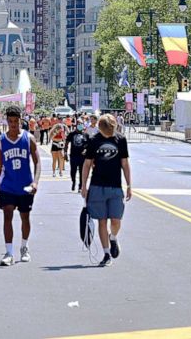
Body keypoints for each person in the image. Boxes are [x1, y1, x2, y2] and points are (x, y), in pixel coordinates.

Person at [81, 114, 132, 267]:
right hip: (97, 185)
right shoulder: (94, 140)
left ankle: (113, 237)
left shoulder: (120, 139)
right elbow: (87, 164)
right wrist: (83, 185)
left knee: (116, 220)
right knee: (102, 220)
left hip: (115, 186)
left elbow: (125, 163)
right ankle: (106, 253)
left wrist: (129, 185)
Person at [0, 105, 40, 266]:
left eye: (16, 121)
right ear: (7, 121)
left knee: (25, 217)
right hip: (7, 186)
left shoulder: (29, 139)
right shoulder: (1, 141)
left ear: (21, 121)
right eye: (10, 121)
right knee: (7, 215)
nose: (13, 124)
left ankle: (24, 247)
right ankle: (8, 252)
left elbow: (37, 162)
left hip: (25, 186)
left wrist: (35, 181)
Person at [67, 119, 89, 192]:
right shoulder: (71, 134)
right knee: (73, 171)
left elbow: (88, 145)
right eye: (78, 124)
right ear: (76, 125)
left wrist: (85, 150)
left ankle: (80, 186)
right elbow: (66, 143)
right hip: (73, 155)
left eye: (81, 124)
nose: (80, 126)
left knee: (82, 171)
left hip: (82, 157)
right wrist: (64, 153)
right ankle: (73, 182)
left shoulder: (86, 135)